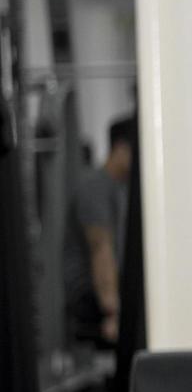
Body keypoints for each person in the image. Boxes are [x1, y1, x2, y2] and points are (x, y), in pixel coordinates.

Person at [63, 113, 133, 345]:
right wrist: (112, 312)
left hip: (108, 294)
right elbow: (100, 250)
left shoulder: (119, 189)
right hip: (89, 299)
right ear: (121, 149)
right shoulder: (95, 188)